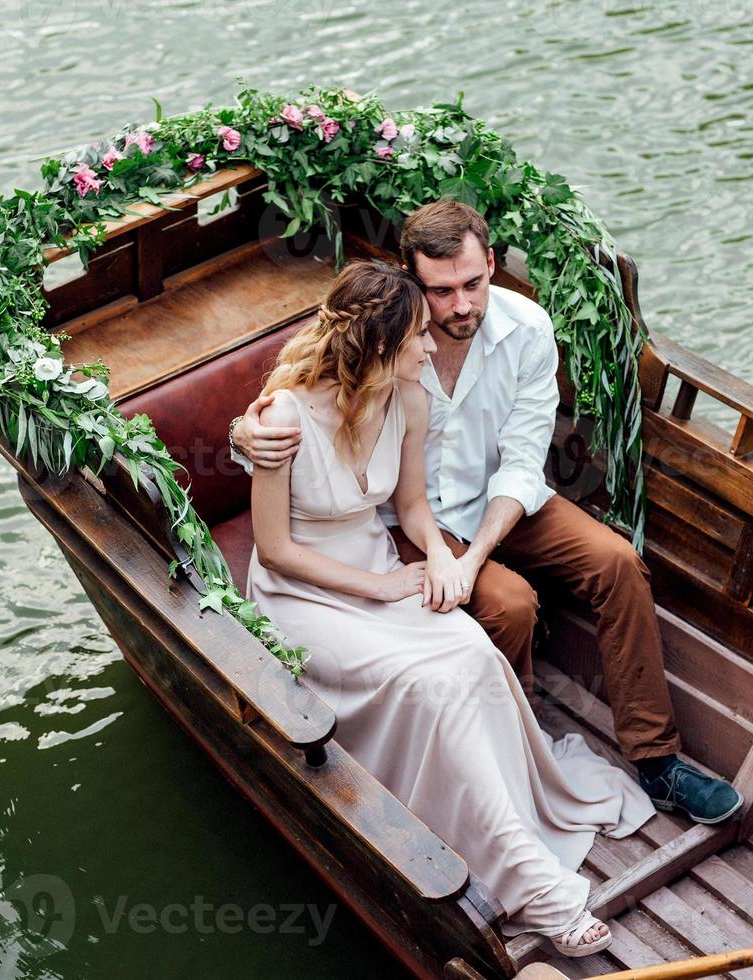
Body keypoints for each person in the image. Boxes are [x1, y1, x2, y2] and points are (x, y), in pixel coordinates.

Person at [231, 200, 743, 825]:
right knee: (509, 606)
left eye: (474, 284)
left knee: (617, 561)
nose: (462, 305)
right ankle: (508, 756)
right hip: (418, 521)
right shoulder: (392, 346)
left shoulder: (526, 330)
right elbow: (315, 402)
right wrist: (242, 432)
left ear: (492, 265)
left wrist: (473, 557)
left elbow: (526, 461)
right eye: (441, 292)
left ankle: (657, 760)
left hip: (504, 500)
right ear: (412, 284)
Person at [244, 260, 654, 956]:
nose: (432, 346)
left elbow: (409, 507)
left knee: (470, 649)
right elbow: (275, 549)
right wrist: (378, 589)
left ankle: (509, 827)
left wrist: (436, 556)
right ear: (379, 346)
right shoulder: (283, 416)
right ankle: (532, 886)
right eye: (417, 338)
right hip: (304, 594)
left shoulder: (407, 400)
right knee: (425, 682)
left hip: (379, 565)